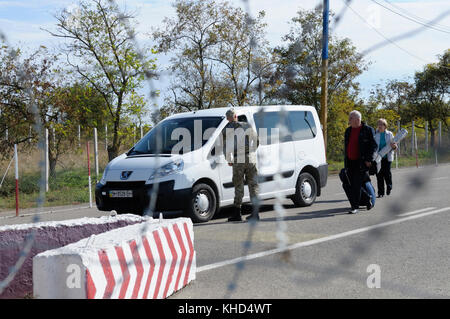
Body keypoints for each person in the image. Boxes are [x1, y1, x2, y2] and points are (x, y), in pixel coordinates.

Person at [222, 108, 260, 222]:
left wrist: (229, 159)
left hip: (238, 158)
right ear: (236, 116)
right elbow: (257, 140)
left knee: (239, 186)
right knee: (253, 185)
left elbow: (226, 147)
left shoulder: (227, 129)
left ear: (228, 118)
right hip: (250, 157)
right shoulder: (246, 125)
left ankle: (237, 213)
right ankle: (255, 213)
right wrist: (252, 151)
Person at [344, 110, 378, 214]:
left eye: (351, 118)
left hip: (361, 162)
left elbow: (374, 146)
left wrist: (368, 159)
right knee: (348, 183)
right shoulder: (348, 131)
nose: (349, 120)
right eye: (349, 118)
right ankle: (367, 199)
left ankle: (355, 207)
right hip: (350, 162)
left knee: (356, 184)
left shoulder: (368, 130)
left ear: (358, 119)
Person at [374, 118, 397, 198]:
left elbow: (395, 145)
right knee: (379, 175)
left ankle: (389, 186)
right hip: (377, 158)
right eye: (378, 124)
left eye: (381, 124)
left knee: (387, 174)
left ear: (385, 126)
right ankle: (380, 192)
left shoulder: (389, 134)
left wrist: (394, 147)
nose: (379, 126)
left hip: (387, 158)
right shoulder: (375, 134)